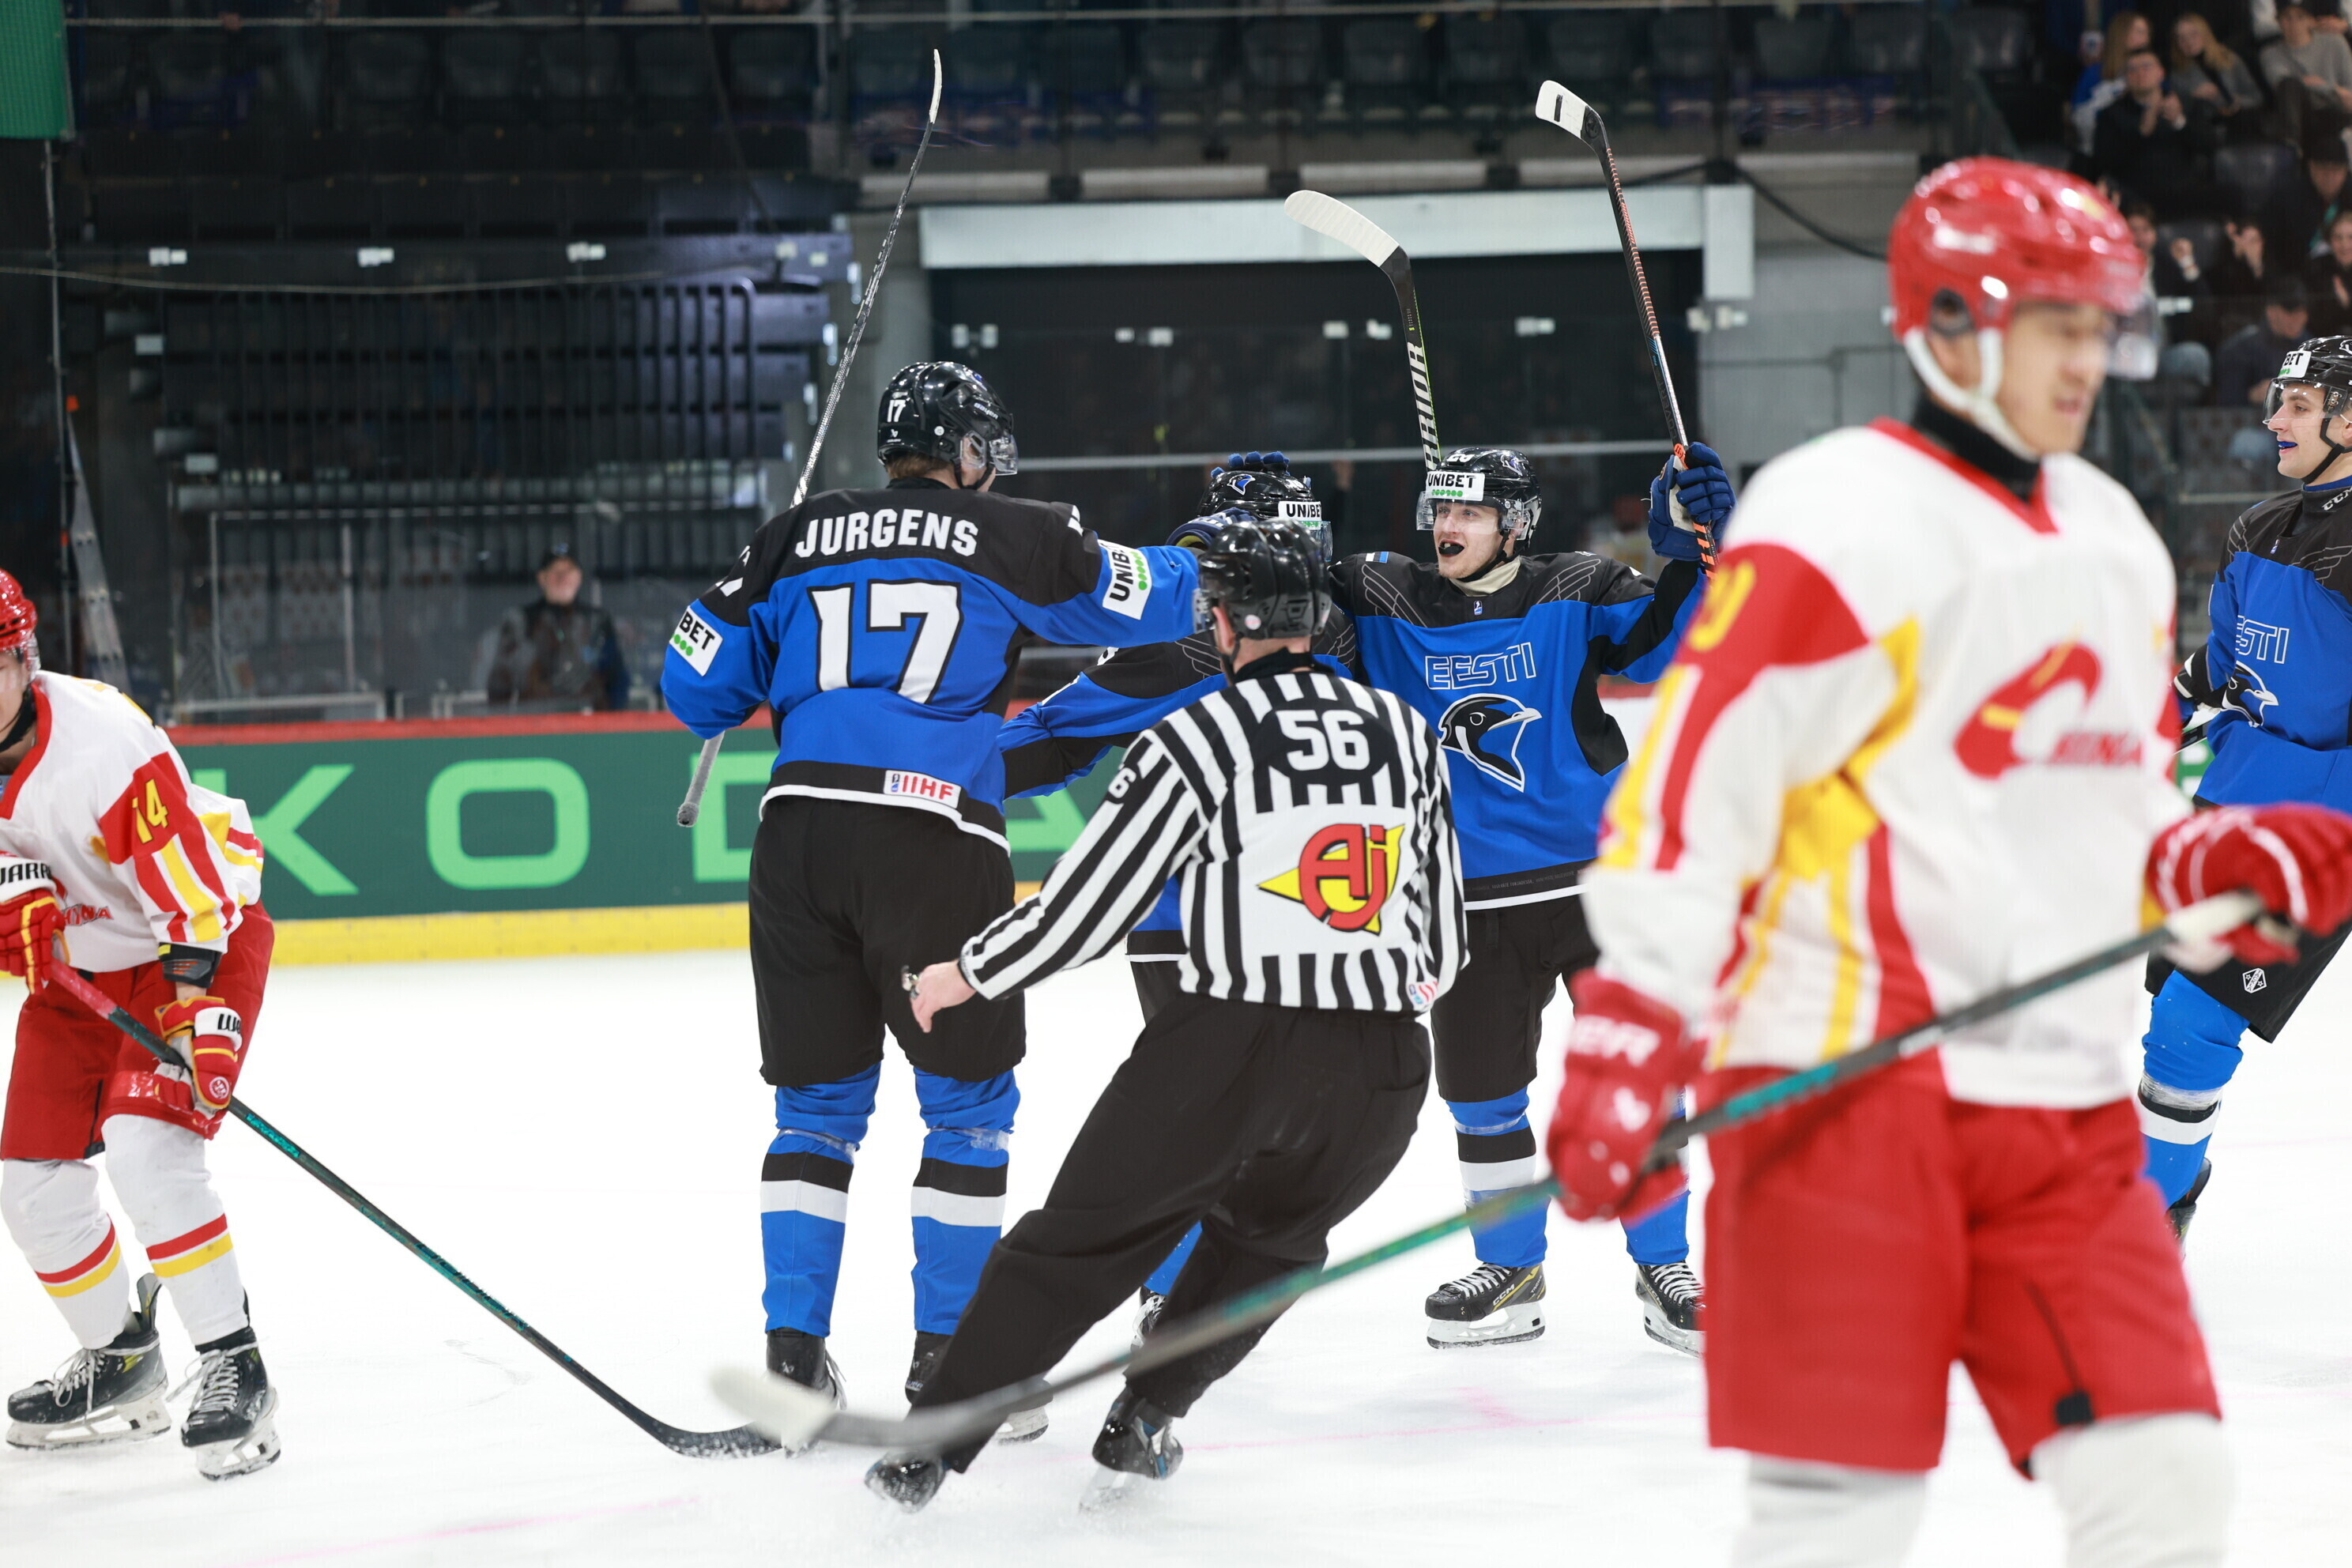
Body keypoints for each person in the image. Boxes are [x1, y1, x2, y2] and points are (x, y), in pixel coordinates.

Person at [1551, 156, 2352, 1568]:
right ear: (1949, 328)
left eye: (2099, 327)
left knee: (2166, 1488)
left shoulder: (2111, 539)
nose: (2087, 360)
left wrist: (2203, 853)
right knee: (1838, 1517)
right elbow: (1693, 799)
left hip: (2057, 1108)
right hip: (1844, 1092)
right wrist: (1629, 1023)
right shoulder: (1831, 515)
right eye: (2057, 327)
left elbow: (2105, 805)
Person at [869, 519, 1465, 1511]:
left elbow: (1086, 908)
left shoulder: (1197, 735)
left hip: (1229, 1047)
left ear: (1223, 623)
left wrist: (965, 973)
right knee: (1271, 1249)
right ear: (1316, 618)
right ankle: (1149, 1415)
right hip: (1382, 1066)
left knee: (1079, 1243)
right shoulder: (1406, 731)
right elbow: (1440, 931)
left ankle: (927, 1447)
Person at [658, 362, 1203, 1434]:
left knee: (813, 1114)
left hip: (797, 837)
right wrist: (1225, 543)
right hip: (932, 834)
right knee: (967, 1110)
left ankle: (791, 1366)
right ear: (967, 452)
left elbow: (693, 687)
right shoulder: (1013, 530)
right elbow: (1160, 600)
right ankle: (950, 1368)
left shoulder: (794, 534)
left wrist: (769, 583)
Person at [1329, 443, 1731, 1354]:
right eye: (1441, 510)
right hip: (1466, 900)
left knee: (1641, 1078)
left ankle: (1666, 1263)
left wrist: (1694, 552)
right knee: (1484, 1099)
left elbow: (1669, 650)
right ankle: (1510, 1268)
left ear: (1515, 525)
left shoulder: (1575, 586)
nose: (1447, 527)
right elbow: (1291, 607)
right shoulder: (1383, 598)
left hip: (1594, 886)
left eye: (1469, 513)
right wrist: (1273, 523)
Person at [994, 452, 1357, 1340]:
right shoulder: (1184, 649)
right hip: (1190, 922)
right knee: (1202, 1111)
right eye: (1284, 531)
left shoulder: (1358, 622)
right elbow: (1050, 734)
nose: (1304, 551)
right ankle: (1169, 1286)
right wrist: (918, 772)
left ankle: (1204, 1276)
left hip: (1301, 920)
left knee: (1266, 1114)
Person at [0, 569, 281, 1479]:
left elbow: (191, 886)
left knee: (147, 1149)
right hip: (80, 972)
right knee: (28, 1181)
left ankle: (234, 1361)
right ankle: (120, 1359)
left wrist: (198, 1008)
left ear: (25, 660)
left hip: (189, 942)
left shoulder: (100, 741)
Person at [2143, 337, 2352, 1241]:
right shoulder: (2259, 529)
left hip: (2317, 834)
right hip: (2231, 807)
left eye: (2298, 406)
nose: (2275, 420)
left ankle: (2146, 1228)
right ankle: (2167, 1195)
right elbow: (2218, 672)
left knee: (2191, 1024)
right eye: (2278, 403)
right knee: (2173, 1017)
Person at [485, 544, 630, 710]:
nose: (563, 577)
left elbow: (616, 678)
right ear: (542, 578)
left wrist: (612, 718)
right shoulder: (520, 620)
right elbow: (500, 683)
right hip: (536, 717)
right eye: (555, 571)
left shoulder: (597, 621)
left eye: (569, 571)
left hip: (587, 718)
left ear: (579, 577)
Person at [2094, 47, 2226, 217]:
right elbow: (2105, 162)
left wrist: (2179, 122)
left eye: (2146, 67)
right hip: (2137, 191)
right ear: (2125, 77)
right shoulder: (2111, 114)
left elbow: (2210, 146)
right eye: (2132, 70)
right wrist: (2141, 133)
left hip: (2183, 187)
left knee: (2229, 195)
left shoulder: (2186, 104)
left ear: (2161, 73)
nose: (2140, 74)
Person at [2257, 0, 2352, 145]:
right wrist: (2333, 89)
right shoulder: (2270, 53)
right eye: (2287, 18)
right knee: (2290, 86)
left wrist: (2324, 87)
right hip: (2302, 113)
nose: (2294, 24)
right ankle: (2293, 144)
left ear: (2311, 21)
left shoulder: (2335, 43)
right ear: (2279, 22)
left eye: (2300, 17)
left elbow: (2349, 89)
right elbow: (2282, 82)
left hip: (2334, 111)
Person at [2215, 273, 2312, 402]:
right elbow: (2224, 402)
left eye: (2302, 311)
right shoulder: (2240, 350)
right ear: (2271, 312)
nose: (2298, 318)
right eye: (2290, 312)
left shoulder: (2311, 347)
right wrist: (2252, 396)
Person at [2173, 11, 2268, 140]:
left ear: (2205, 34)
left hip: (2241, 118)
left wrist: (2237, 102)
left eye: (2193, 34)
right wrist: (2193, 97)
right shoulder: (2178, 74)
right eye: (2181, 38)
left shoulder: (2229, 59)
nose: (2188, 42)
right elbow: (2179, 115)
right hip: (2208, 127)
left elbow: (2257, 97)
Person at [2074, 10, 2154, 153]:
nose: (2146, 39)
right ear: (2121, 33)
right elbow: (2078, 115)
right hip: (2098, 147)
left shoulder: (2153, 70)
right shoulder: (2095, 72)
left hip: (2141, 149)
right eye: (2140, 32)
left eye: (2147, 34)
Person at [2306, 207, 2352, 327]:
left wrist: (2347, 303)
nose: (2344, 245)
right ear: (2329, 241)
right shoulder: (2316, 267)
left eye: (2350, 237)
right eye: (2338, 238)